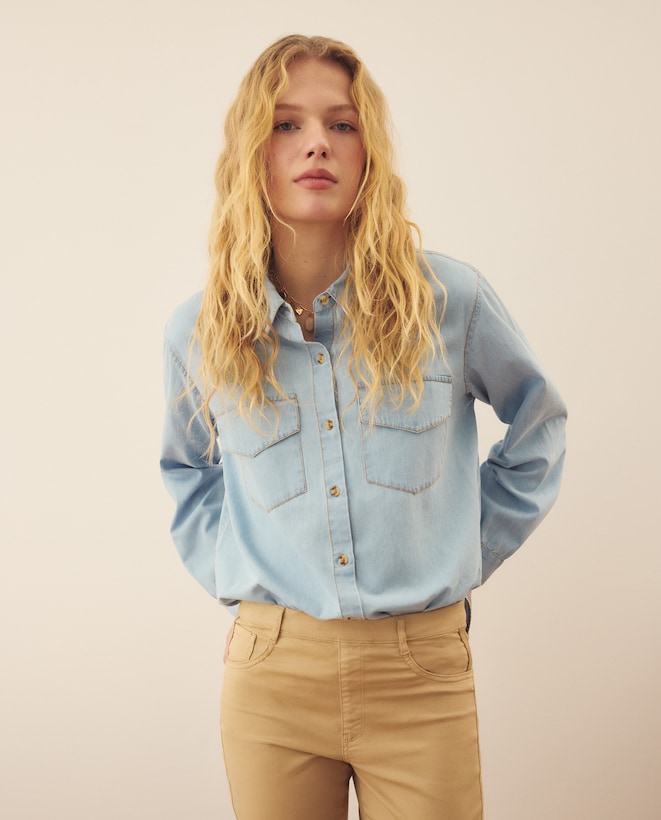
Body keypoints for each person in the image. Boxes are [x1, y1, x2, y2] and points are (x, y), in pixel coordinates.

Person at [160, 34, 566, 820]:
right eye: (285, 124)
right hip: (270, 679)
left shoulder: (448, 300)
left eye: (340, 124)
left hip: (421, 675)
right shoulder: (200, 331)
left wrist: (465, 546)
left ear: (368, 149)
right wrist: (235, 575)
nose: (316, 142)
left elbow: (538, 424)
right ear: (251, 152)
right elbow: (185, 470)